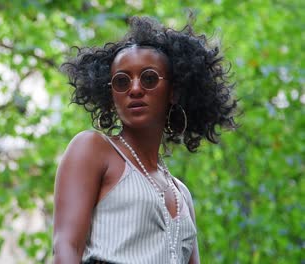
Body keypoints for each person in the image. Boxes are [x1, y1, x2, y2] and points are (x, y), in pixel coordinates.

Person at [53, 16, 237, 264]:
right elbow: (66, 247)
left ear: (173, 91)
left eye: (149, 78)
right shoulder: (93, 149)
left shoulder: (181, 193)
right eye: (121, 81)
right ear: (111, 94)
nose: (135, 88)